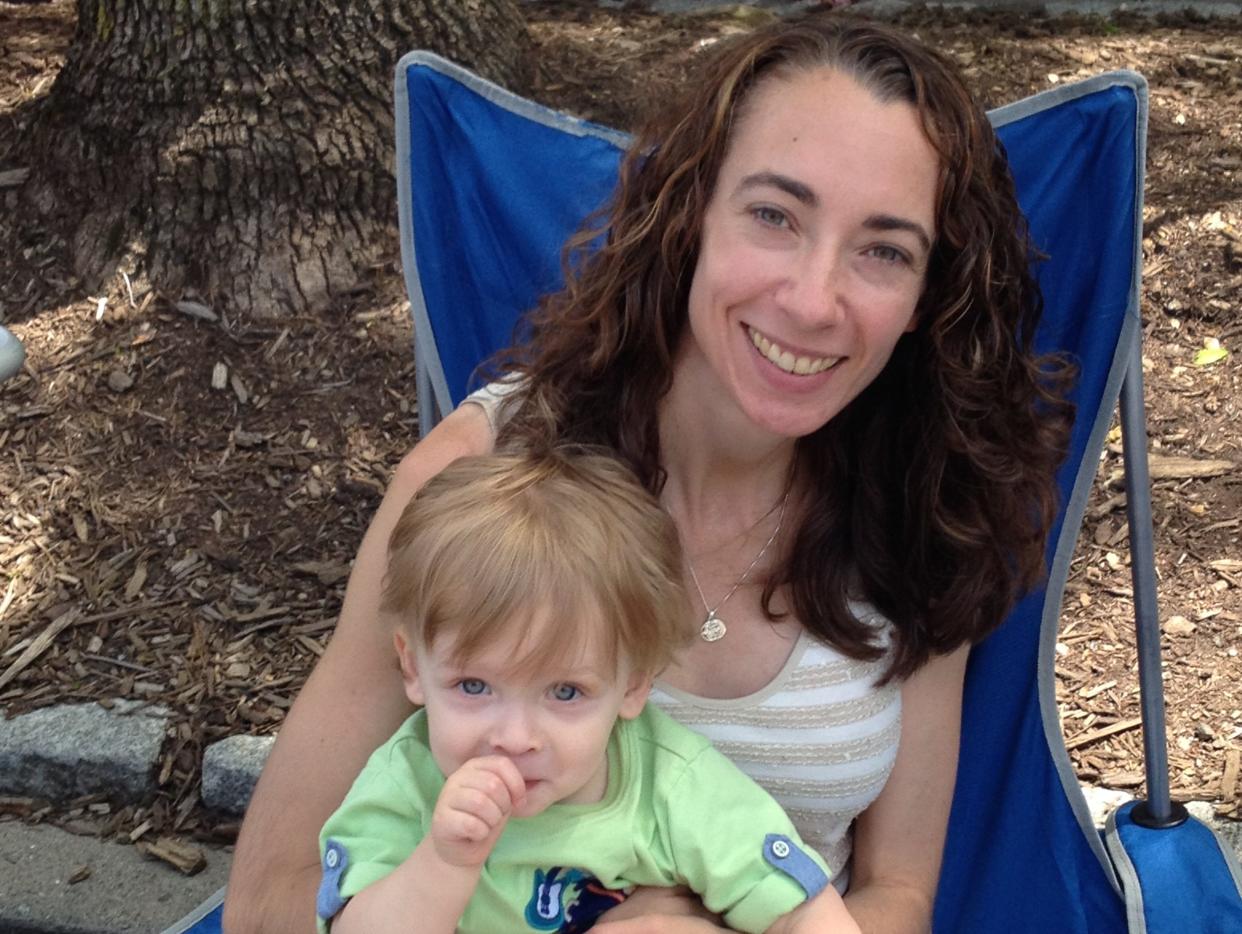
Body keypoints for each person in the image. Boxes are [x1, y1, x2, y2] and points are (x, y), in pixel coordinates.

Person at [226, 15, 1071, 933]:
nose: (812, 299)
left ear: (923, 299)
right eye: (774, 215)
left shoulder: (922, 515)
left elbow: (899, 894)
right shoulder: (481, 483)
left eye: (884, 250)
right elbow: (269, 900)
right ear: (690, 216)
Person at [316, 449, 858, 934]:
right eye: (474, 685)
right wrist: (444, 863)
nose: (516, 737)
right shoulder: (406, 786)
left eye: (566, 693)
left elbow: (803, 910)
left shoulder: (669, 785)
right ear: (412, 666)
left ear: (635, 683)